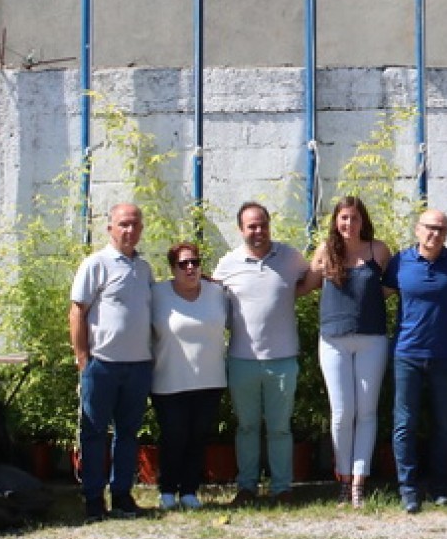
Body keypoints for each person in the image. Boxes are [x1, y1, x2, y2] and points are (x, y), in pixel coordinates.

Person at [213, 201, 313, 505]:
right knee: (247, 427)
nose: (258, 231)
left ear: (269, 224)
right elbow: (211, 298)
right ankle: (247, 487)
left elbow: (312, 278)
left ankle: (282, 488)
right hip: (242, 360)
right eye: (251, 226)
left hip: (282, 359)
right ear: (241, 230)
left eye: (263, 224)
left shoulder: (290, 257)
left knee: (280, 429)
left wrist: (288, 296)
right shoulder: (228, 263)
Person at [69, 202, 154, 522]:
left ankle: (121, 495)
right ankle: (93, 498)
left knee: (128, 433)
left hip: (138, 365)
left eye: (135, 224)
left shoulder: (144, 269)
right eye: (123, 224)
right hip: (102, 365)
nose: (129, 230)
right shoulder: (96, 264)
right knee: (93, 433)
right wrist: (82, 358)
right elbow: (78, 310)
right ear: (110, 229)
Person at [308, 196, 391, 508]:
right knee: (342, 413)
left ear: (363, 220)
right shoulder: (326, 251)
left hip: (372, 339)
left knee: (367, 412)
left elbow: (390, 286)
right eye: (343, 218)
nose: (348, 224)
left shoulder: (378, 251)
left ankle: (359, 481)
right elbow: (305, 285)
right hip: (333, 340)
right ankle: (342, 477)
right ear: (336, 220)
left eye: (354, 218)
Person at [382, 208, 447, 513]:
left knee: (443, 425)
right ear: (417, 230)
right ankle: (408, 489)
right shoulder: (400, 262)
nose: (435, 234)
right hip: (407, 355)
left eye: (441, 229)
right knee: (404, 424)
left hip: (445, 356)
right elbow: (379, 296)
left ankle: (440, 487)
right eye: (429, 228)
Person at [151, 240, 228, 511]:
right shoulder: (157, 293)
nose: (190, 268)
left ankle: (189, 491)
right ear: (173, 268)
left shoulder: (216, 292)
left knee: (197, 436)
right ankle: (168, 490)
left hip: (210, 379)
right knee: (174, 436)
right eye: (183, 264)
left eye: (195, 262)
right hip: (169, 380)